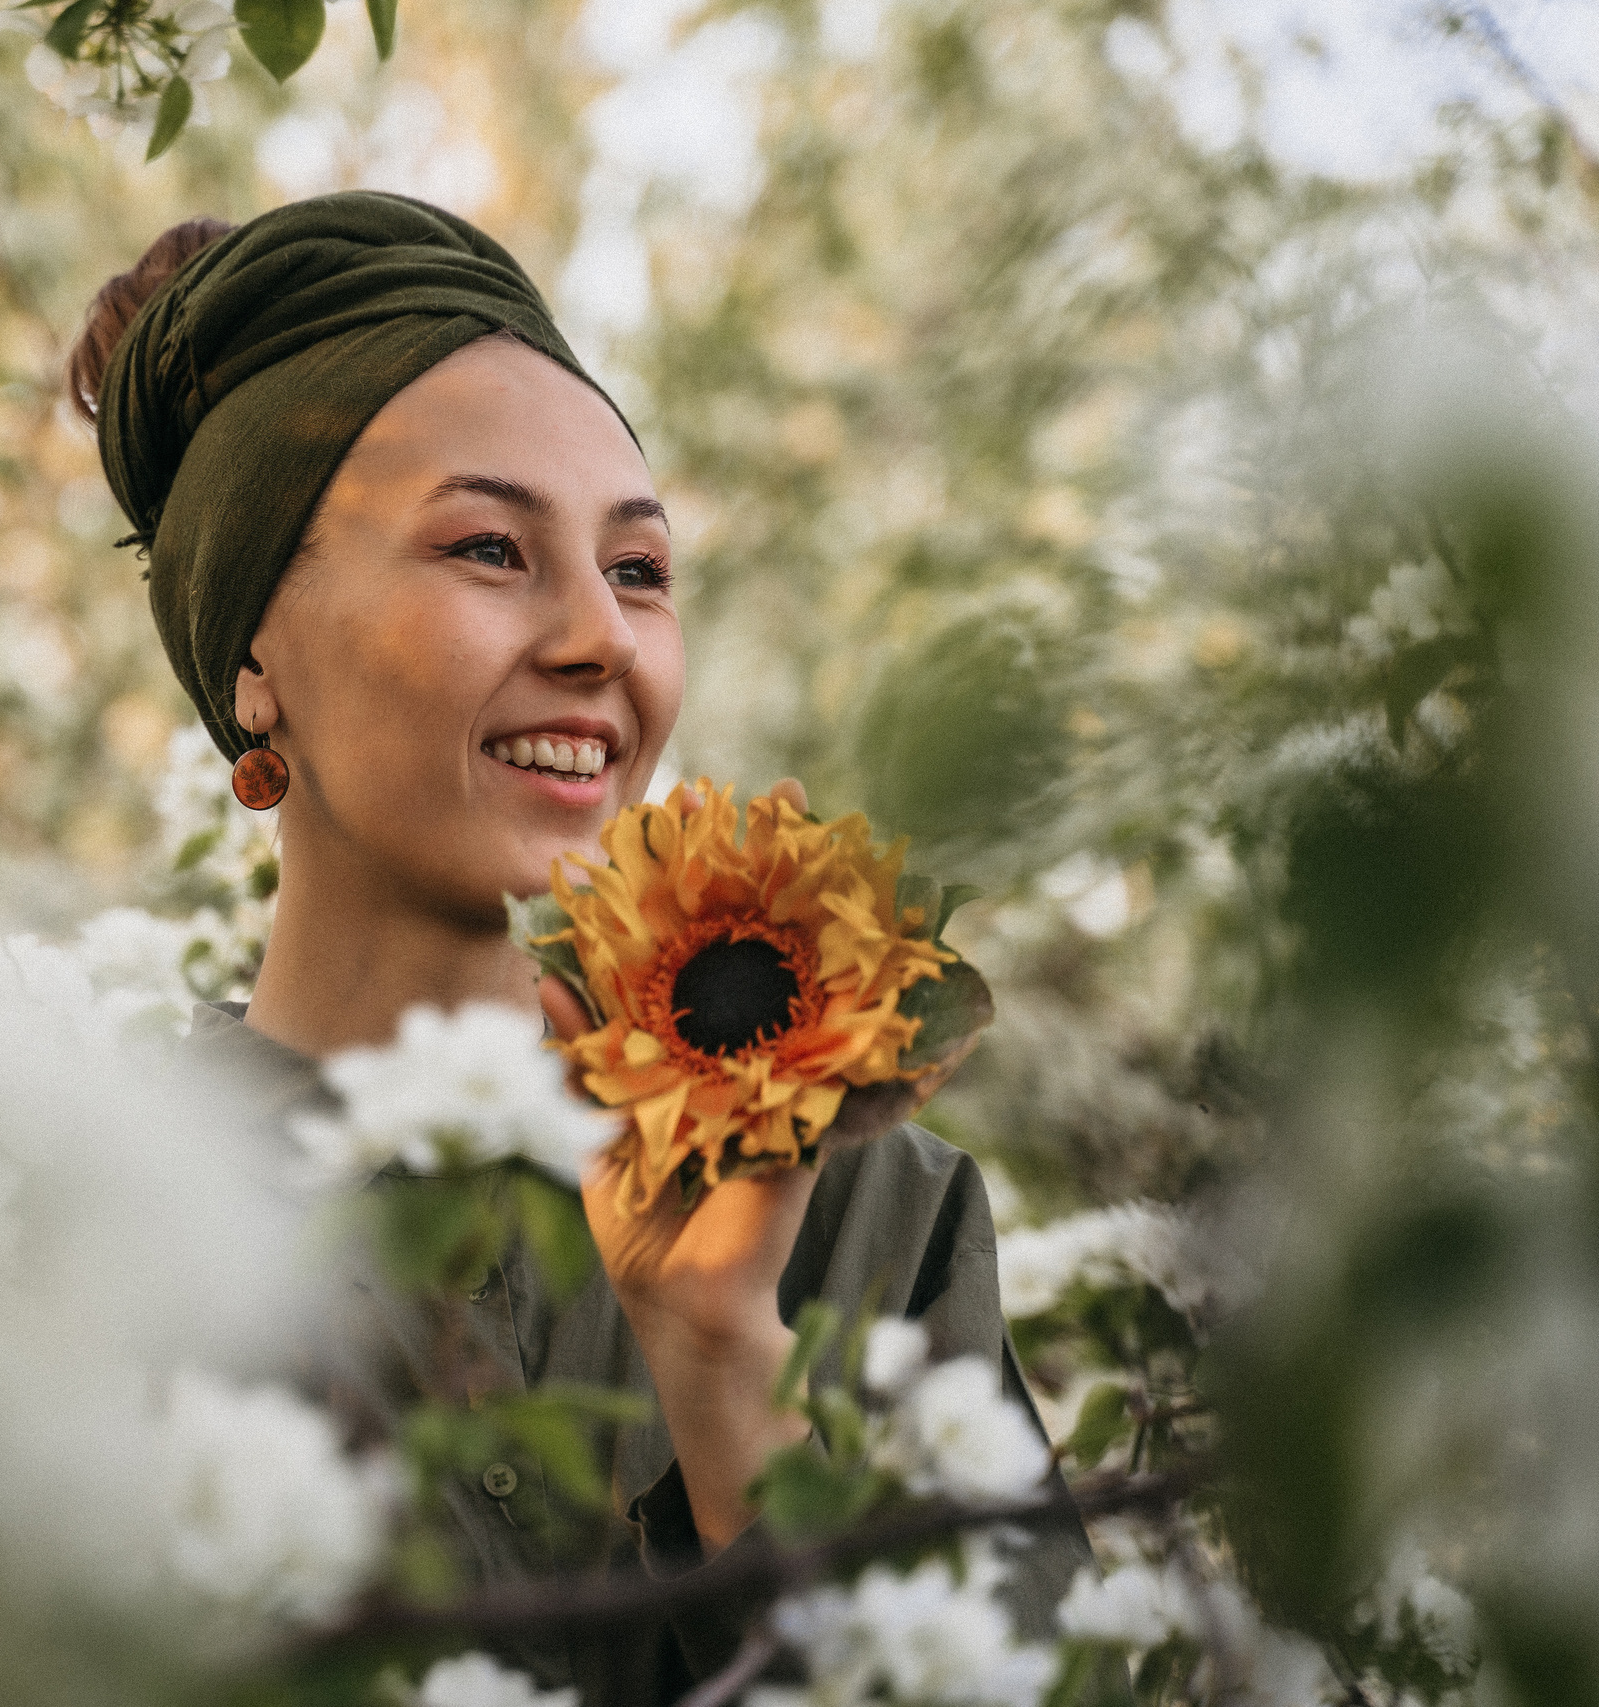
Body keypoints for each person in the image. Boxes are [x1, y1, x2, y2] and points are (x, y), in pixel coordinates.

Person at [71, 191, 1092, 1703]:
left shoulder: (873, 1204)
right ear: (253, 655)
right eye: (491, 548)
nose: (601, 638)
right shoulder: (76, 1225)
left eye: (639, 570)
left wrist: (725, 1371)